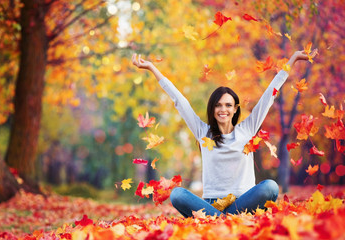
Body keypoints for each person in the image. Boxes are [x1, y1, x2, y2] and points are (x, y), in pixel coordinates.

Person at [131, 49, 317, 217]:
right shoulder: (203, 132)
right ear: (212, 109)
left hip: (244, 203)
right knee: (177, 194)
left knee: (270, 186)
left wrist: (291, 60)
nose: (223, 109)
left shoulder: (248, 129)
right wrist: (152, 69)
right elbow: (179, 100)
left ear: (235, 109)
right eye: (218, 105)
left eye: (228, 105)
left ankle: (219, 220)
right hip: (211, 205)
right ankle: (223, 219)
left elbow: (270, 94)